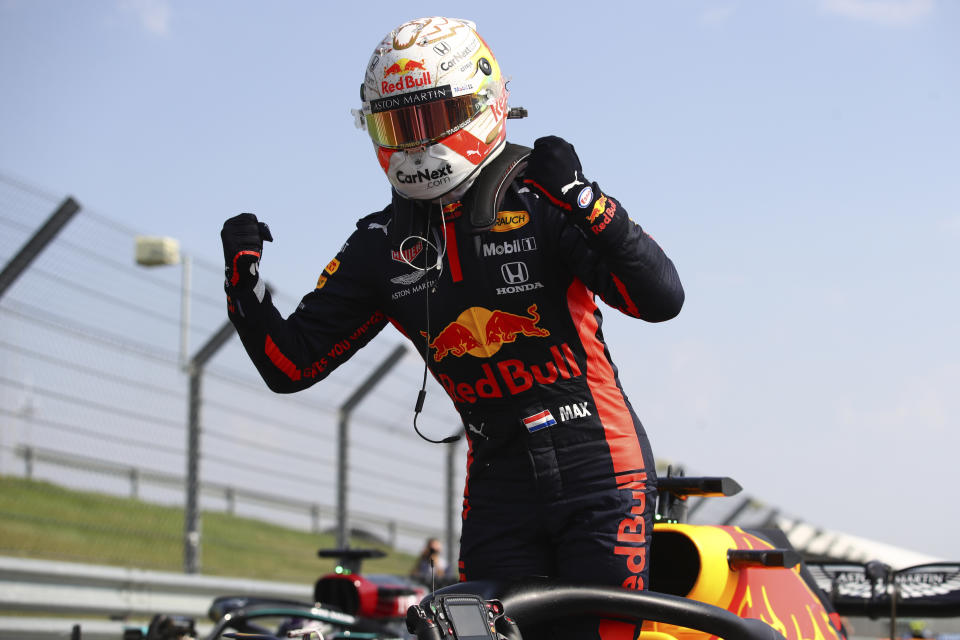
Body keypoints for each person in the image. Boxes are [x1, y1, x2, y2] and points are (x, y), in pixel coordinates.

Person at [221, 16, 683, 640]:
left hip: (599, 469)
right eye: (398, 124)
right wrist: (244, 289)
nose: (415, 143)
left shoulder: (547, 196)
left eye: (430, 119)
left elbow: (661, 298)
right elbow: (290, 364)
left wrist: (588, 201)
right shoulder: (379, 245)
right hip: (500, 481)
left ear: (481, 105)